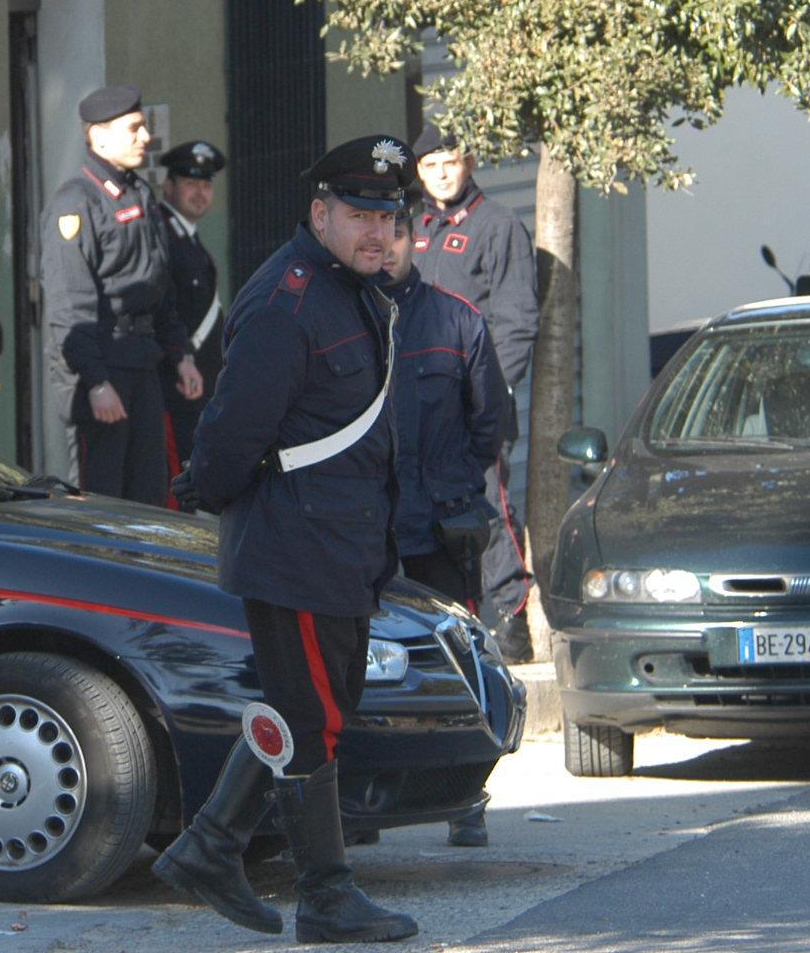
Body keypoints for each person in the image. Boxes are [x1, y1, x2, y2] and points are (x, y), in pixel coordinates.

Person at [152, 135, 420, 945]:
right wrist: (225, 497)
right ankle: (326, 895)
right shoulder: (291, 297)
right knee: (312, 719)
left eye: (388, 215)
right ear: (320, 213)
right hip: (295, 543)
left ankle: (209, 846)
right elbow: (233, 432)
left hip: (340, 544)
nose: (376, 231)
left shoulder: (354, 291)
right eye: (359, 214)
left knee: (311, 708)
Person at [383, 206, 506, 848]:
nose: (386, 248)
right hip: (368, 529)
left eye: (398, 235)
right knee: (358, 664)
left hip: (438, 527)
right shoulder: (344, 319)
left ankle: (467, 798)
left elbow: (490, 424)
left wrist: (452, 487)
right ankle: (360, 800)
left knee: (460, 661)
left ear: (414, 241)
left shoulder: (457, 319)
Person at [411, 123, 539, 661]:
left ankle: (510, 622)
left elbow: (516, 321)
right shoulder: (413, 227)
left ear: (468, 163)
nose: (441, 175)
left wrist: (490, 391)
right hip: (419, 399)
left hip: (477, 399)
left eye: (450, 163)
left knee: (490, 504)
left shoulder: (498, 225)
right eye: (430, 166)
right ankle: (448, 622)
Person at [40, 86, 201, 502]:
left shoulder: (139, 194)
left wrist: (180, 353)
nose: (144, 137)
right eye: (133, 128)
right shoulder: (75, 204)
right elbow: (68, 305)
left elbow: (156, 285)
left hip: (142, 361)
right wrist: (94, 382)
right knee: (102, 500)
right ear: (99, 137)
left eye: (143, 127)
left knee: (149, 496)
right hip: (102, 367)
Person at [155, 139, 227, 497]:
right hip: (177, 381)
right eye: (189, 183)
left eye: (206, 184)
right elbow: (166, 306)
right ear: (169, 186)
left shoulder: (189, 238)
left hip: (198, 384)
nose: (200, 193)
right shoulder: (164, 234)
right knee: (175, 481)